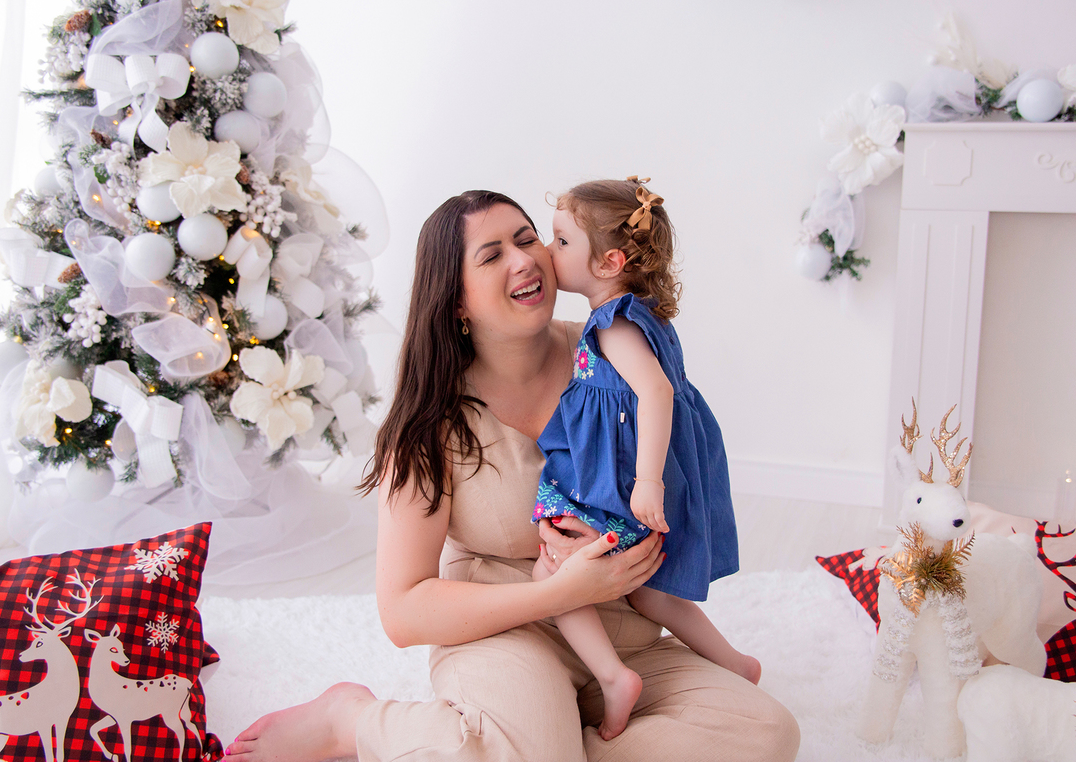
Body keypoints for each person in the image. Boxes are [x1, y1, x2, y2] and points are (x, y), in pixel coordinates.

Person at [227, 190, 800, 762]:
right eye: (491, 255)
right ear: (456, 301)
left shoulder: (612, 348)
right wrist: (558, 592)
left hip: (624, 634)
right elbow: (402, 612)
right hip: (502, 633)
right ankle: (349, 721)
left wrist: (638, 545)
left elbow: (674, 468)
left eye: (528, 239)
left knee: (764, 732)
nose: (524, 259)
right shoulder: (429, 419)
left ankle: (534, 743)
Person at [530, 177, 759, 741]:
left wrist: (647, 481)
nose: (547, 251)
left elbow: (656, 394)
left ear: (608, 261)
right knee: (652, 589)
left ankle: (612, 677)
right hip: (642, 466)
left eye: (561, 242)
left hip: (624, 476)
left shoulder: (615, 326)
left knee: (551, 566)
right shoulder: (640, 314)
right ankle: (735, 663)